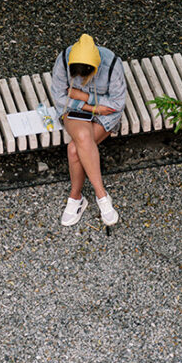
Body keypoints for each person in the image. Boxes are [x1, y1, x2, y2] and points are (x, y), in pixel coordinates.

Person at [50, 33, 127, 227]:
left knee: (74, 149)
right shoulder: (64, 59)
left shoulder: (111, 64)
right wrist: (90, 106)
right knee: (83, 136)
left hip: (106, 113)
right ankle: (102, 196)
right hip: (75, 110)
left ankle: (76, 198)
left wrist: (84, 97)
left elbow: (116, 103)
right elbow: (60, 97)